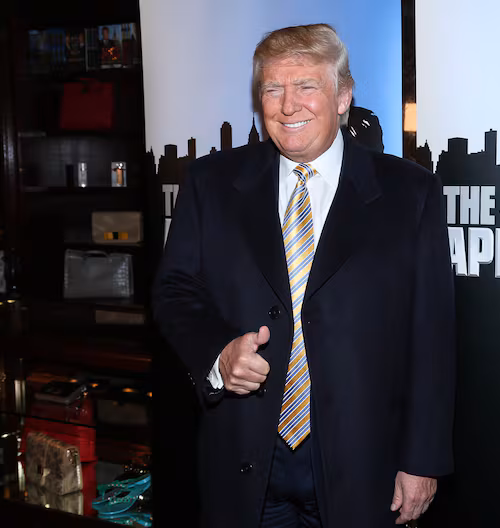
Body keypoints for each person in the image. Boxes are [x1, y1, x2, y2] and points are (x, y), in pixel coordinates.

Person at [152, 23, 455, 528]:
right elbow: (174, 291)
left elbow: (433, 338)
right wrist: (218, 352)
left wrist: (421, 461)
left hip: (364, 465)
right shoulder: (211, 184)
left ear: (343, 97)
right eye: (273, 88)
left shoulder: (411, 195)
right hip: (243, 459)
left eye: (306, 86)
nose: (288, 105)